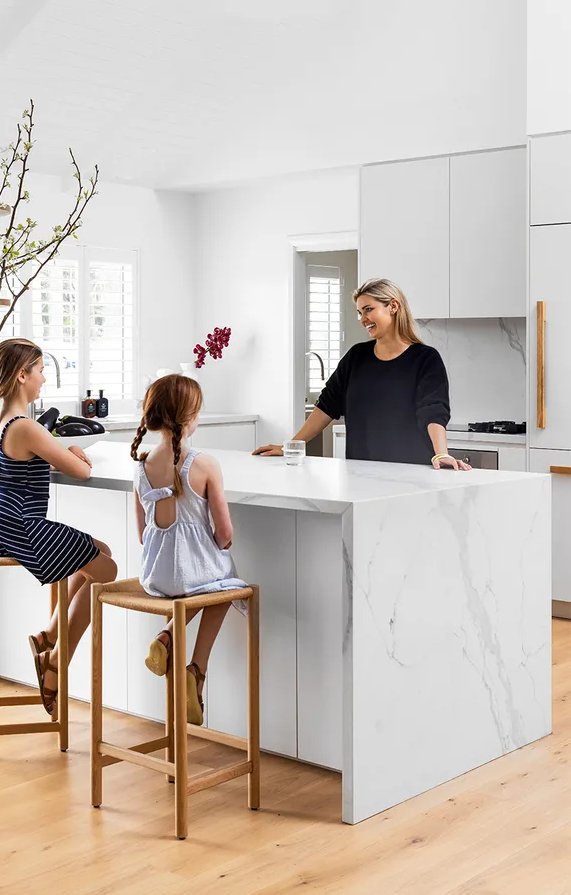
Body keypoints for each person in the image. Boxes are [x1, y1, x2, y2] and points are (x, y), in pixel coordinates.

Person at [0, 338, 118, 714]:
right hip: (18, 525)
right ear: (22, 375)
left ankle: (50, 635)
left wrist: (57, 454)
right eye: (40, 371)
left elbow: (30, 464)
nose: (43, 380)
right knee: (106, 570)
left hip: (1, 524)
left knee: (98, 553)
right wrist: (72, 453)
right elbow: (82, 471)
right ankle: (56, 660)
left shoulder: (9, 421)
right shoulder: (26, 426)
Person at [254, 277, 471, 470]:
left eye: (368, 309)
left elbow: (433, 412)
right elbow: (327, 405)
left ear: (393, 306)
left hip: (411, 472)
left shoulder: (425, 359)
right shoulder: (356, 357)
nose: (362, 319)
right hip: (360, 472)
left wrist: (441, 453)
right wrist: (291, 446)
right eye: (360, 312)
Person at [131, 374, 246, 726]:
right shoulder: (205, 463)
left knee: (206, 585)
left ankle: (168, 636)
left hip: (154, 577)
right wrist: (218, 544)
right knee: (225, 586)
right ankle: (196, 669)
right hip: (190, 578)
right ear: (188, 418)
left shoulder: (141, 465)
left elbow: (141, 533)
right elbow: (224, 534)